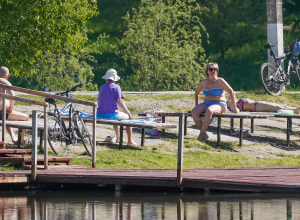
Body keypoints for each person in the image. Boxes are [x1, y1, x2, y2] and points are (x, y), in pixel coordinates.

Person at [191, 63, 239, 141]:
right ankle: (204, 134)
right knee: (194, 111)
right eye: (211, 69)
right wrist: (196, 105)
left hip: (220, 104)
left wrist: (235, 109)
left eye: (215, 69)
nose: (213, 71)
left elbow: (232, 92)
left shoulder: (220, 81)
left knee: (209, 110)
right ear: (207, 71)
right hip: (206, 103)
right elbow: (197, 93)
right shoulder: (204, 82)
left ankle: (200, 136)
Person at [97, 68, 138, 146]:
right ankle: (129, 141)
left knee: (116, 117)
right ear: (114, 79)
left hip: (99, 113)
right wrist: (129, 114)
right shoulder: (116, 87)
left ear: (106, 78)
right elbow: (120, 102)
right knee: (127, 119)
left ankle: (118, 138)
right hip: (111, 114)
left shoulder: (102, 87)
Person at [0, 67, 29, 144]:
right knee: (26, 117)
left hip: (2, 113)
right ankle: (21, 140)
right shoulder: (3, 81)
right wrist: (10, 108)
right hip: (1, 113)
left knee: (5, 115)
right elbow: (12, 95)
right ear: (8, 75)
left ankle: (13, 137)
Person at [227, 97, 300, 114]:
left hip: (257, 103)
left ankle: (295, 109)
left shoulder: (233, 101)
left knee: (280, 105)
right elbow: (237, 111)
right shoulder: (231, 106)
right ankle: (296, 110)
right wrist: (233, 105)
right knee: (277, 107)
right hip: (256, 107)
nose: (228, 99)